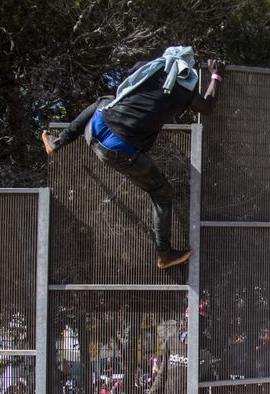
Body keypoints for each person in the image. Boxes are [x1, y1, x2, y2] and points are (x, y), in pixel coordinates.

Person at [41, 46, 225, 269]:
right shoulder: (184, 90)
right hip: (119, 149)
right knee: (163, 194)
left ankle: (58, 141)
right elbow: (206, 106)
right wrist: (215, 75)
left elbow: (127, 89)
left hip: (95, 127)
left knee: (105, 99)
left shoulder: (146, 68)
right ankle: (164, 254)